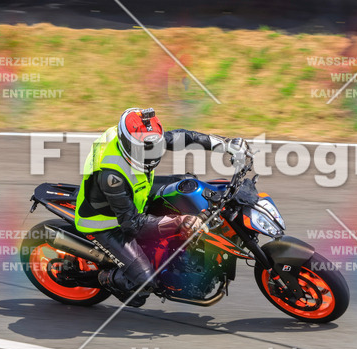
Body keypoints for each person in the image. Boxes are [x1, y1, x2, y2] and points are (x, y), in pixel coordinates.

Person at [74, 107, 246, 307]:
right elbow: (131, 225)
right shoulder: (112, 176)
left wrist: (226, 144)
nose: (150, 154)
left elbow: (184, 137)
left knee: (187, 186)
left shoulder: (141, 137)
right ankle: (105, 277)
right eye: (143, 150)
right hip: (106, 223)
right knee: (143, 285)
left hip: (137, 191)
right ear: (127, 144)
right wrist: (180, 221)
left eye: (154, 148)